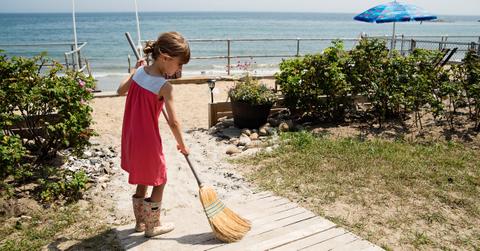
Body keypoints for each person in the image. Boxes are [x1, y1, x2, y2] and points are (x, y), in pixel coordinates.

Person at [117, 31, 190, 237]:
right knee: (160, 179)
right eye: (179, 64)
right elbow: (174, 122)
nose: (179, 69)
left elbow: (119, 90)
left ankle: (140, 223)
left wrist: (133, 71)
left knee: (144, 176)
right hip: (147, 140)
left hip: (131, 135)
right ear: (165, 58)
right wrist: (182, 145)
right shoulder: (164, 86)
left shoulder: (140, 73)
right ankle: (153, 226)